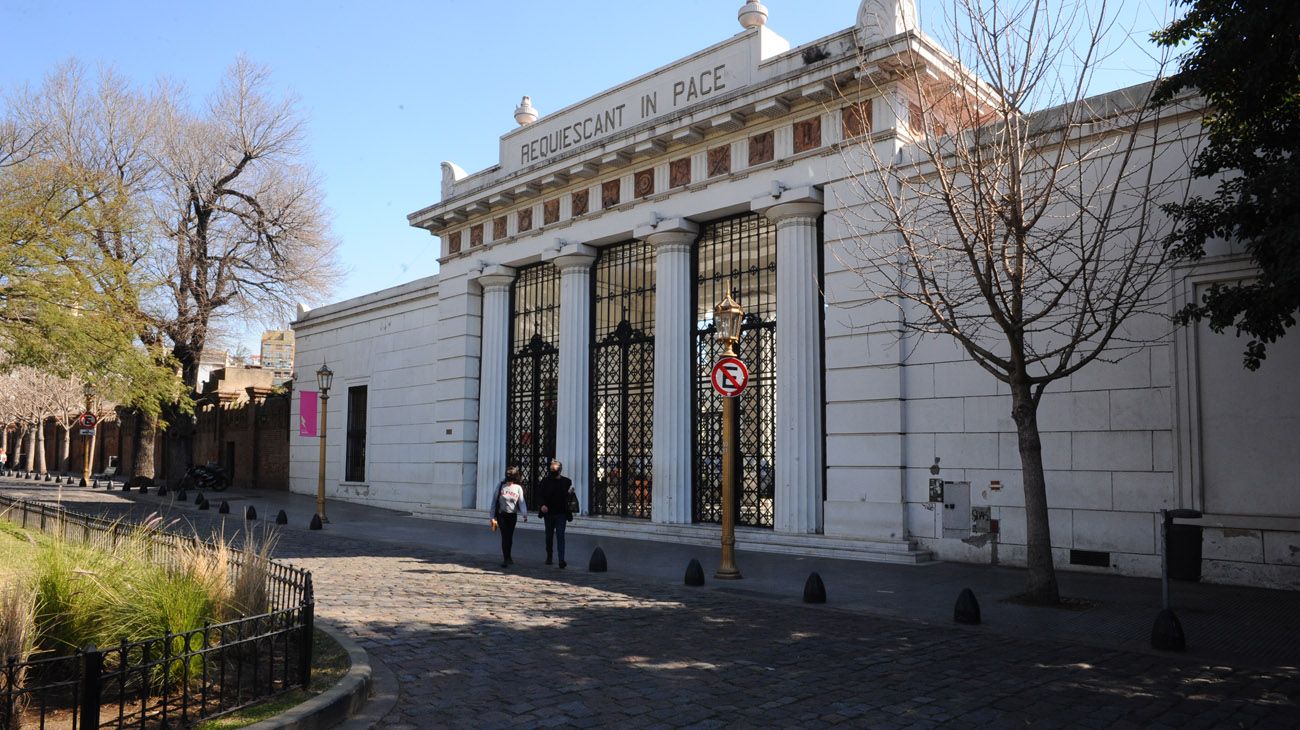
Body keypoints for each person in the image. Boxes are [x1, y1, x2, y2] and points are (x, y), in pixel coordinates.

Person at [535, 459, 574, 568]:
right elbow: (539, 495)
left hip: (561, 513)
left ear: (560, 470)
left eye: (555, 469)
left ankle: (561, 559)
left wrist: (570, 493)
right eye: (551, 469)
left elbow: (568, 498)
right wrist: (542, 505)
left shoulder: (566, 482)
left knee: (560, 535)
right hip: (549, 513)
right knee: (549, 535)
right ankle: (549, 556)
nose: (553, 471)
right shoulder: (545, 481)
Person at [490, 466, 528, 568]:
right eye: (508, 475)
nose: (509, 477)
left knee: (509, 537)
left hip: (512, 515)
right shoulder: (501, 485)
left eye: (511, 475)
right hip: (501, 514)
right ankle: (505, 558)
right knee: (505, 536)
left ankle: (509, 556)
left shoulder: (518, 488)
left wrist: (524, 514)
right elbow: (494, 501)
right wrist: (492, 517)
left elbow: (521, 502)